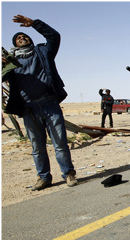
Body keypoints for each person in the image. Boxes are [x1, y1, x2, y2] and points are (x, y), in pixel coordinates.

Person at [1, 15, 77, 191]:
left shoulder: (43, 52)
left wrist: (35, 24)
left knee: (60, 143)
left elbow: (54, 36)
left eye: (24, 36)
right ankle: (43, 178)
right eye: (18, 38)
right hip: (29, 109)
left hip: (50, 104)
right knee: (37, 147)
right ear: (14, 44)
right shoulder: (10, 61)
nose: (22, 37)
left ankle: (69, 174)